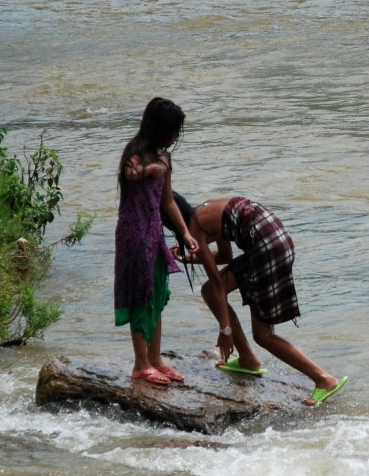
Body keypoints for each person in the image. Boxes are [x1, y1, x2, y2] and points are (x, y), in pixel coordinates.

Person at [168, 194, 348, 406]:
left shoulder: (195, 227)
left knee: (263, 335)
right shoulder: (205, 211)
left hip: (266, 250)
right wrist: (186, 258)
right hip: (277, 240)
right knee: (208, 292)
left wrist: (225, 330)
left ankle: (324, 379)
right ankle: (247, 360)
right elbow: (225, 256)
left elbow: (218, 283)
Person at [114, 97, 198, 386]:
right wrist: (150, 170)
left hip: (153, 232)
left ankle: (156, 359)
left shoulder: (165, 159)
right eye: (173, 131)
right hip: (133, 234)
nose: (175, 137)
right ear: (160, 128)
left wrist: (185, 233)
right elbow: (129, 173)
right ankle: (140, 364)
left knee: (157, 296)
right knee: (140, 296)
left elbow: (169, 202)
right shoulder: (135, 153)